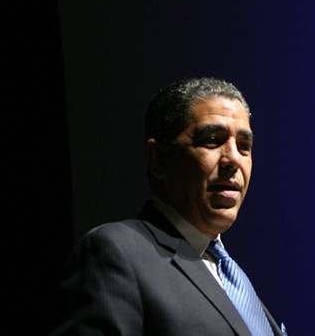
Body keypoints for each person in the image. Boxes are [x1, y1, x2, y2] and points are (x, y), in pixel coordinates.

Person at [52, 77, 286, 335]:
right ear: (159, 159)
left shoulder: (233, 277)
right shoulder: (116, 252)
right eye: (212, 140)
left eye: (244, 146)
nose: (233, 159)